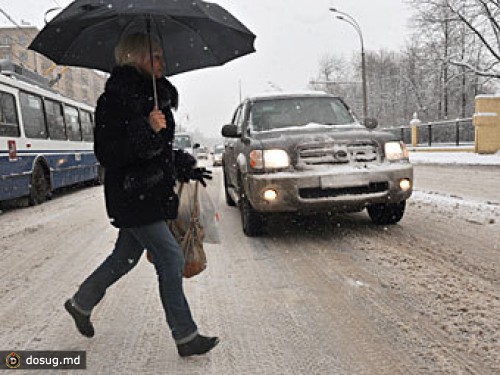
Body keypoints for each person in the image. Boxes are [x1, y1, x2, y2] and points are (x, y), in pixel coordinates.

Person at [64, 33, 219, 358]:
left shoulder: (157, 98)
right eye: (157, 56)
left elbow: (158, 150)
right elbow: (109, 154)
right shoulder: (114, 101)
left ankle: (81, 302)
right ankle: (185, 334)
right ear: (136, 58)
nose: (164, 62)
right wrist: (146, 129)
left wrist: (182, 163)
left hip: (152, 194)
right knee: (170, 257)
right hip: (132, 195)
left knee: (124, 257)